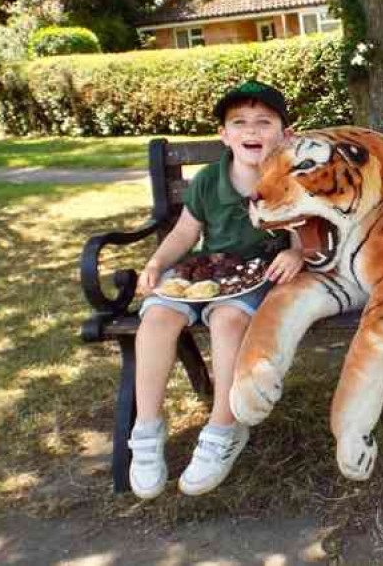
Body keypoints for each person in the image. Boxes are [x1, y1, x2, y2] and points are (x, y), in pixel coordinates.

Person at [129, 80, 304, 499]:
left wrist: (297, 253)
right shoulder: (209, 179)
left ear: (286, 133)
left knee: (227, 321)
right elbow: (186, 231)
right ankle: (147, 430)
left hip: (256, 276)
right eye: (240, 123)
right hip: (205, 270)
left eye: (264, 122)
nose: (252, 131)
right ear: (224, 135)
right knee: (156, 319)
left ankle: (225, 427)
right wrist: (156, 262)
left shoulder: (291, 176)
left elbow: (305, 225)